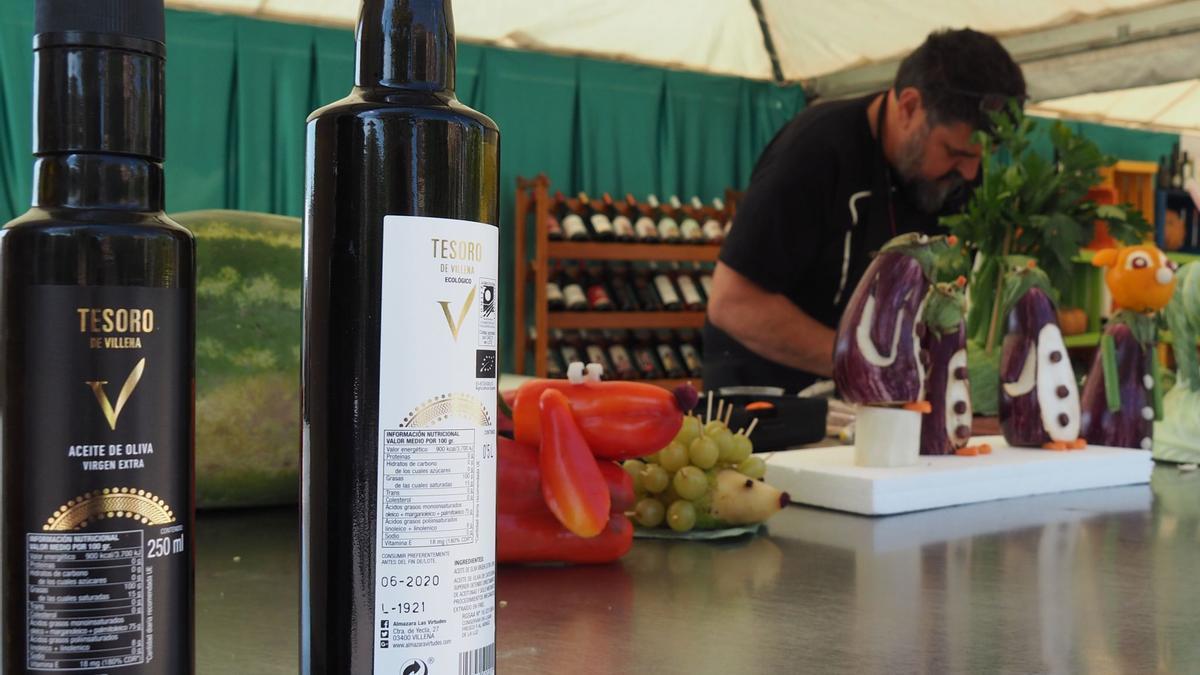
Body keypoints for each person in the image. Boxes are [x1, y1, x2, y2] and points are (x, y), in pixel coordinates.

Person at [704, 28, 1025, 393]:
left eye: (981, 157)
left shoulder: (957, 177)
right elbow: (733, 303)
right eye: (955, 152)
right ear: (908, 106)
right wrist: (870, 365)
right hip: (771, 401)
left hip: (875, 395)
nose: (969, 173)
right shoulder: (815, 151)